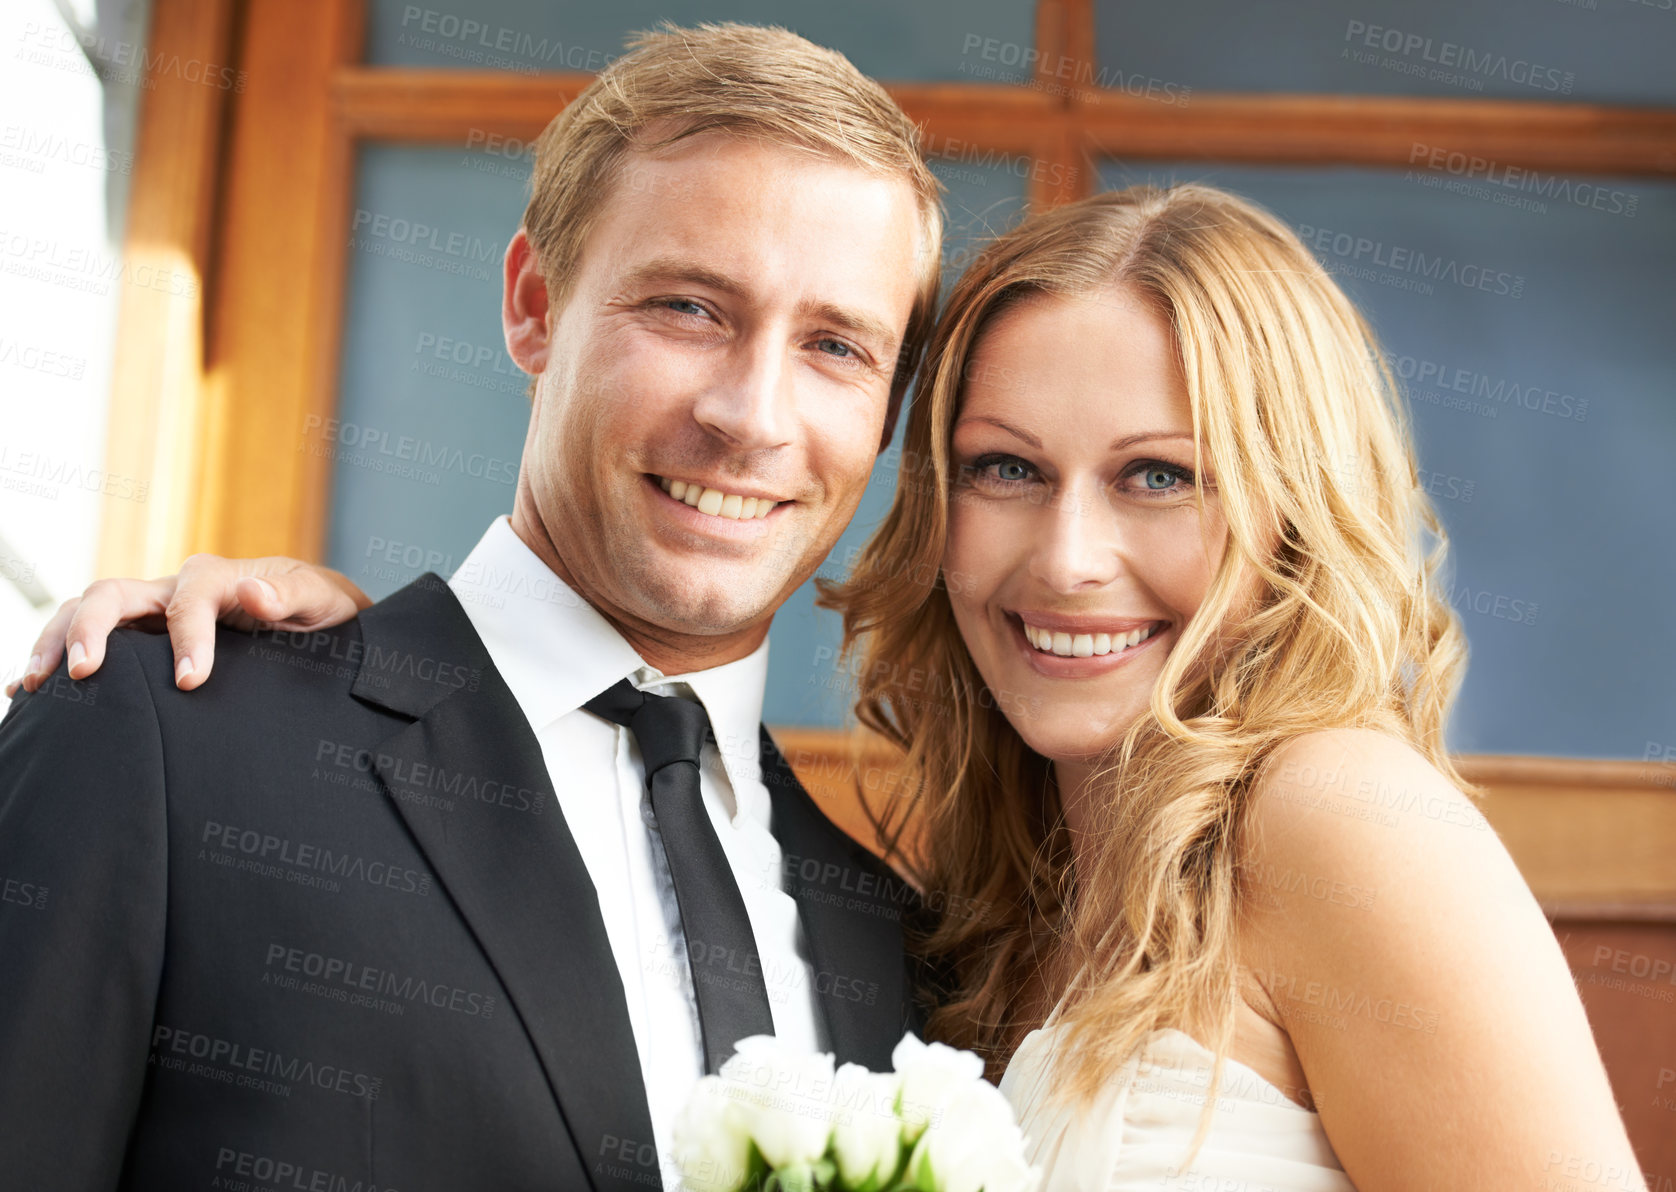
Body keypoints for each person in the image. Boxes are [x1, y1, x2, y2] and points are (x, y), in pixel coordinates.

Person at [43, 184, 1650, 1189]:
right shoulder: (943, 917)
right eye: (1006, 470)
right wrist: (346, 665)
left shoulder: (1336, 818)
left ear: (1293, 507)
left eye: (1161, 477)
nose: (1069, 560)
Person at [0, 23, 943, 1192]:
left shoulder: (898, 950)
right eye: (690, 308)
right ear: (535, 303)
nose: (752, 415)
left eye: (835, 346)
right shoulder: (160, 737)